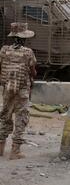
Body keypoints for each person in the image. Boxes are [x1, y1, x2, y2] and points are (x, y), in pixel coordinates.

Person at [0, 22, 37, 160]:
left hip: (7, 88)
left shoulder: (4, 50)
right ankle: (15, 151)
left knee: (5, 115)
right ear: (24, 38)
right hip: (22, 89)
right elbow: (33, 72)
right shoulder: (28, 52)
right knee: (21, 117)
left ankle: (0, 148)